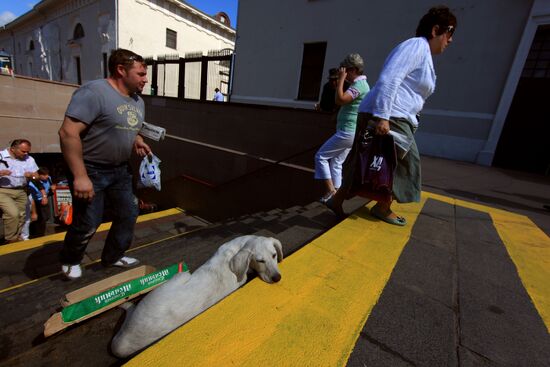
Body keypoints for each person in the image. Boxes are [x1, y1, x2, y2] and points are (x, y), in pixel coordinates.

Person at [327, 6, 457, 225]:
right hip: (390, 115)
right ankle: (382, 207)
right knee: (406, 163)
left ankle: (340, 200)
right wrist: (383, 117)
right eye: (449, 34)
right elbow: (390, 78)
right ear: (436, 30)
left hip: (393, 114)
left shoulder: (423, 53)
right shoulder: (416, 46)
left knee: (366, 159)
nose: (450, 40)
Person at [58, 48, 152, 279]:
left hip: (121, 170)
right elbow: (68, 133)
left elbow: (125, 126)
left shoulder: (138, 101)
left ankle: (113, 256)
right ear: (121, 70)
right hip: (90, 169)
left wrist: (137, 140)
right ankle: (70, 259)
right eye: (140, 73)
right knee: (89, 220)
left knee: (129, 213)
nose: (145, 79)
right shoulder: (94, 92)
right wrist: (80, 176)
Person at [314, 54, 370, 203]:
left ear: (354, 69)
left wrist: (340, 81)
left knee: (321, 156)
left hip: (348, 131)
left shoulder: (359, 85)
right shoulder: (361, 85)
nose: (343, 71)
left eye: (346, 69)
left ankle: (331, 191)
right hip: (350, 131)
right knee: (337, 162)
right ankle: (337, 194)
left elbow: (340, 100)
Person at [0, 139, 39, 243]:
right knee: (13, 213)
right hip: (3, 190)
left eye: (27, 151)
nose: (26, 153)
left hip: (21, 190)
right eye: (23, 151)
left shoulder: (29, 159)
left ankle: (17, 237)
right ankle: (10, 238)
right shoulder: (1, 156)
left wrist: (32, 176)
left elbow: (37, 177)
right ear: (13, 149)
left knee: (21, 216)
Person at [28, 167, 54, 237]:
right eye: (44, 175)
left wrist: (52, 188)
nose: (47, 176)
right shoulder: (32, 183)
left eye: (47, 174)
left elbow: (50, 187)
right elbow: (32, 195)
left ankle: (39, 231)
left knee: (46, 216)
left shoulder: (48, 178)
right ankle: (37, 234)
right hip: (35, 201)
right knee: (39, 218)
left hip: (44, 199)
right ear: (39, 175)